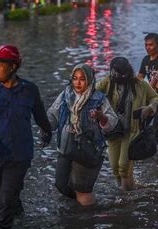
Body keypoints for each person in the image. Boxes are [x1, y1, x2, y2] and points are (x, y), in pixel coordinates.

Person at [0, 45, 52, 229]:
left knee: (4, 202)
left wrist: (47, 132)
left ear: (13, 67)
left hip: (19, 156)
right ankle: (22, 223)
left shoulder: (29, 90)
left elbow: (40, 115)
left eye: (1, 64)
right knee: (3, 198)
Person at [47, 64, 118, 206]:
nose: (78, 83)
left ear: (90, 80)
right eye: (75, 79)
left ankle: (87, 219)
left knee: (83, 190)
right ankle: (81, 208)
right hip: (66, 146)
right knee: (61, 184)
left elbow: (112, 122)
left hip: (89, 148)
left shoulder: (99, 99)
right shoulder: (65, 95)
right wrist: (45, 129)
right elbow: (52, 115)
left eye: (82, 79)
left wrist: (101, 117)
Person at [96, 57, 158, 190]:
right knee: (114, 166)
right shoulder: (107, 82)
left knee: (124, 165)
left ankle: (127, 194)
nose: (119, 76)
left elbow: (155, 97)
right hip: (113, 130)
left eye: (122, 74)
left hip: (131, 130)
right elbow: (93, 93)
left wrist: (149, 108)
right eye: (116, 73)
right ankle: (127, 188)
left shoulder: (139, 84)